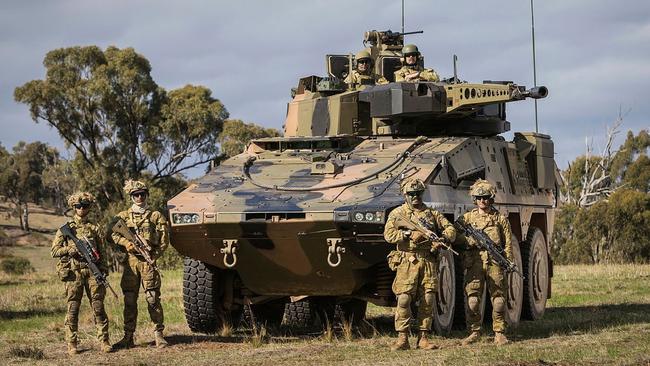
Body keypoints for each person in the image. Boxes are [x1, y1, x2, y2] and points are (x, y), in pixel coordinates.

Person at [383, 178, 456, 350]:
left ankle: (424, 337)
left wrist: (441, 239)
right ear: (405, 195)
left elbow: (451, 230)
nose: (415, 197)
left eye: (418, 194)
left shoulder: (432, 213)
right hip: (407, 261)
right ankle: (402, 338)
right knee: (403, 299)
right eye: (411, 194)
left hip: (428, 261)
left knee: (428, 299)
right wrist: (408, 233)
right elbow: (388, 235)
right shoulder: (398, 214)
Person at [51, 192, 112, 355]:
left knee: (98, 307)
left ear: (89, 207)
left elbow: (103, 251)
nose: (81, 209)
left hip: (93, 272)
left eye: (84, 206)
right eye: (78, 206)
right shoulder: (66, 229)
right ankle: (72, 343)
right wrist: (69, 249)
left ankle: (104, 341)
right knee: (73, 308)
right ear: (73, 207)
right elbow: (54, 251)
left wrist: (104, 270)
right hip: (74, 273)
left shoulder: (94, 228)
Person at [111, 179, 170, 349]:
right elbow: (112, 235)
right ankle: (128, 337)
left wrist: (153, 255)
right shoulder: (123, 216)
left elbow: (164, 241)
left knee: (152, 299)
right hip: (131, 264)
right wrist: (126, 243)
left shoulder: (155, 215)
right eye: (135, 195)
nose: (139, 197)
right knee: (130, 300)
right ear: (131, 197)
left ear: (146, 195)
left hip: (148, 262)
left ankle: (158, 335)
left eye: (142, 194)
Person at [457, 179, 513, 346]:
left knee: (499, 299)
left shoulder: (500, 219)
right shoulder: (466, 218)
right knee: (473, 300)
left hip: (495, 263)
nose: (483, 200)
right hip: (474, 263)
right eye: (479, 198)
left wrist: (508, 261)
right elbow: (453, 235)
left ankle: (499, 332)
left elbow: (508, 243)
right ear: (474, 199)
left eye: (486, 197)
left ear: (491, 198)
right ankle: (474, 331)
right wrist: (469, 242)